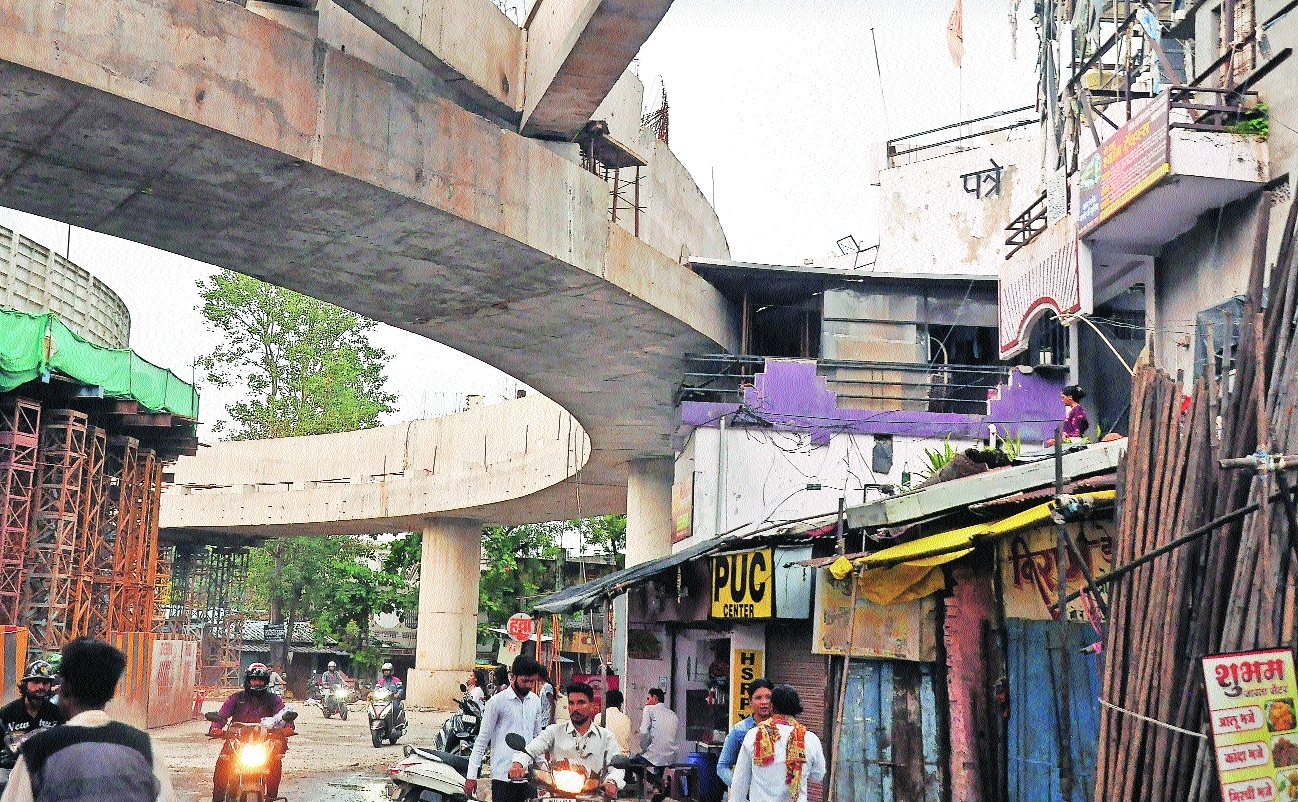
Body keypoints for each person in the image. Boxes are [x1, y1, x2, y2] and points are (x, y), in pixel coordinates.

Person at [0, 638, 176, 802]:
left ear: (64, 690)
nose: (41, 688)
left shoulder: (35, 754)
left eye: (45, 683)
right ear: (110, 694)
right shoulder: (145, 748)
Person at [510, 682, 624, 800]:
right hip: (557, 795)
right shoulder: (554, 731)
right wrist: (518, 763)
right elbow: (532, 748)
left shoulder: (606, 737)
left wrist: (612, 781)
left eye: (581, 702)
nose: (575, 708)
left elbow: (617, 767)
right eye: (571, 703)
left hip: (592, 797)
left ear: (592, 705)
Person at [207, 663, 295, 802]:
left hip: (264, 742)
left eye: (261, 680)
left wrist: (288, 727)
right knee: (222, 769)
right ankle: (217, 799)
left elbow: (283, 714)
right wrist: (216, 728)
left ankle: (271, 797)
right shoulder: (236, 698)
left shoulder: (273, 699)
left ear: (266, 681)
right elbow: (222, 715)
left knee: (275, 763)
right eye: (254, 679)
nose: (257, 683)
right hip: (237, 741)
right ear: (248, 680)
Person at [465, 656, 544, 802]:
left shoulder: (535, 701)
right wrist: (471, 776)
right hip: (502, 777)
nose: (529, 685)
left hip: (529, 776)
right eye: (525, 681)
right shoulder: (496, 702)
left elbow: (538, 739)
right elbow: (482, 740)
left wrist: (544, 772)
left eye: (532, 681)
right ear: (512, 677)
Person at [730, 685, 826, 802]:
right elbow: (817, 776)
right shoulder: (810, 739)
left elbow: (739, 784)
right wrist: (800, 770)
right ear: (797, 708)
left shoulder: (754, 736)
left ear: (772, 706)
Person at [0, 661, 67, 785]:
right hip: (12, 771)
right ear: (25, 684)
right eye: (35, 682)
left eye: (45, 682)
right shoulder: (7, 713)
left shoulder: (57, 714)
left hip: (46, 772)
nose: (41, 686)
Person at [717, 679, 775, 787]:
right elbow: (722, 766)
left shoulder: (782, 729)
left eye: (768, 697)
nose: (764, 702)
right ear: (750, 701)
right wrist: (742, 788)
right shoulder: (740, 730)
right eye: (758, 698)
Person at [637, 688, 681, 767]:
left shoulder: (648, 709)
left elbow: (644, 733)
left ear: (655, 698)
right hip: (670, 759)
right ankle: (657, 779)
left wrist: (645, 749)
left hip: (652, 758)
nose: (646, 702)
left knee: (630, 762)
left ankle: (652, 779)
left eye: (648, 698)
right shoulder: (673, 715)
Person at [599, 689, 632, 756]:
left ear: (606, 703)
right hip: (623, 758)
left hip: (606, 758)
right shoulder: (626, 718)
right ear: (620, 703)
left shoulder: (600, 717)